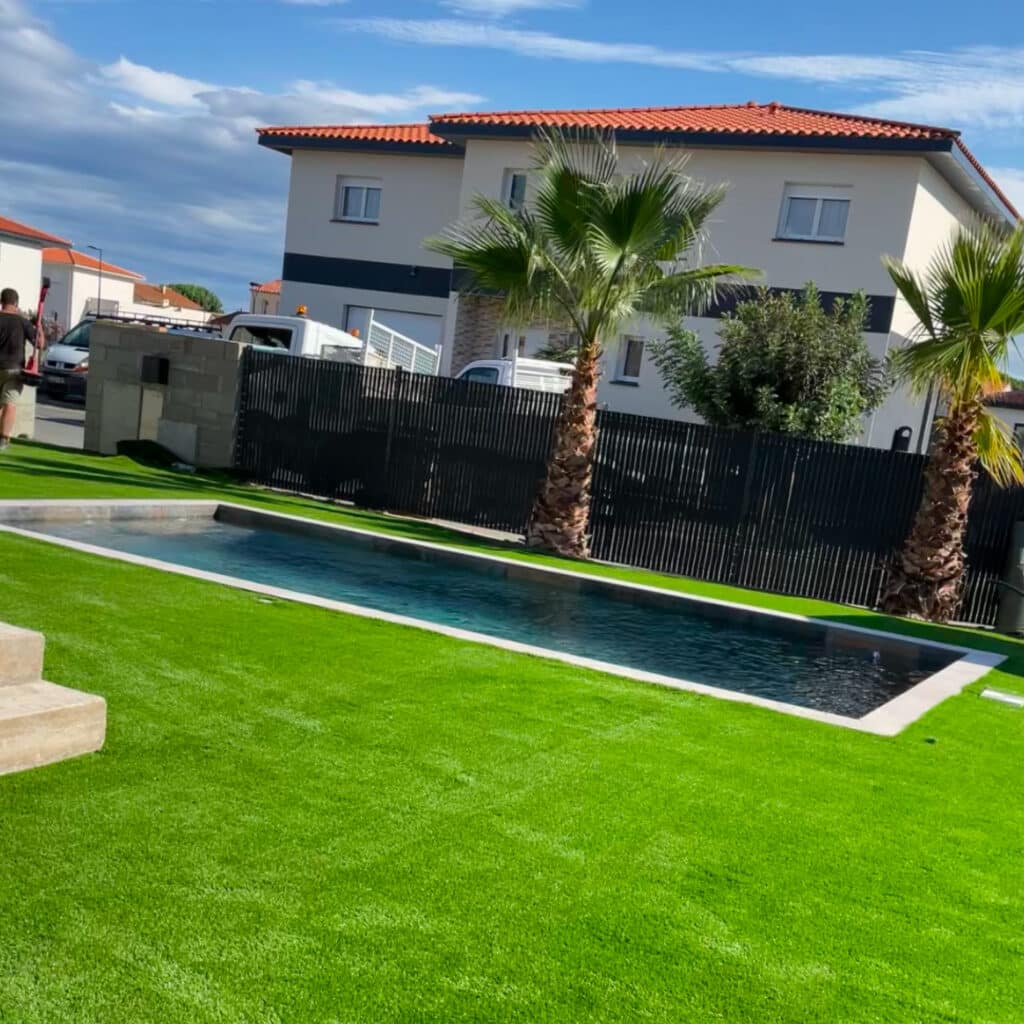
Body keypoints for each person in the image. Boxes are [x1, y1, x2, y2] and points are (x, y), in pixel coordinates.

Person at [0, 287, 41, 451]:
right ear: (16, 303)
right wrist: (39, 327)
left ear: (1, 302)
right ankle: (3, 439)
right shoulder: (23, 322)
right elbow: (39, 343)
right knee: (10, 403)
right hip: (15, 369)